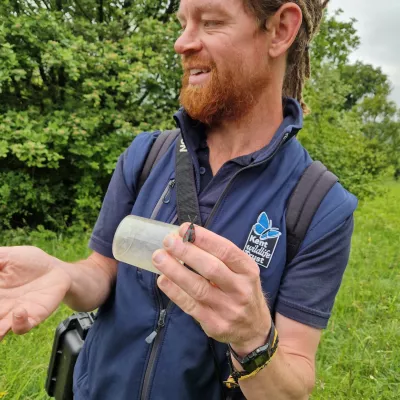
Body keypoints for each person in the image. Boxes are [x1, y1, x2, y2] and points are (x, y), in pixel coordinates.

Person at [0, 0, 357, 399]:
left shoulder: (319, 204)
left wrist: (254, 339)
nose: (181, 43)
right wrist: (63, 273)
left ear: (280, 29)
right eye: (183, 23)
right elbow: (102, 271)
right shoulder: (147, 155)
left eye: (210, 22)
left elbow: (294, 386)